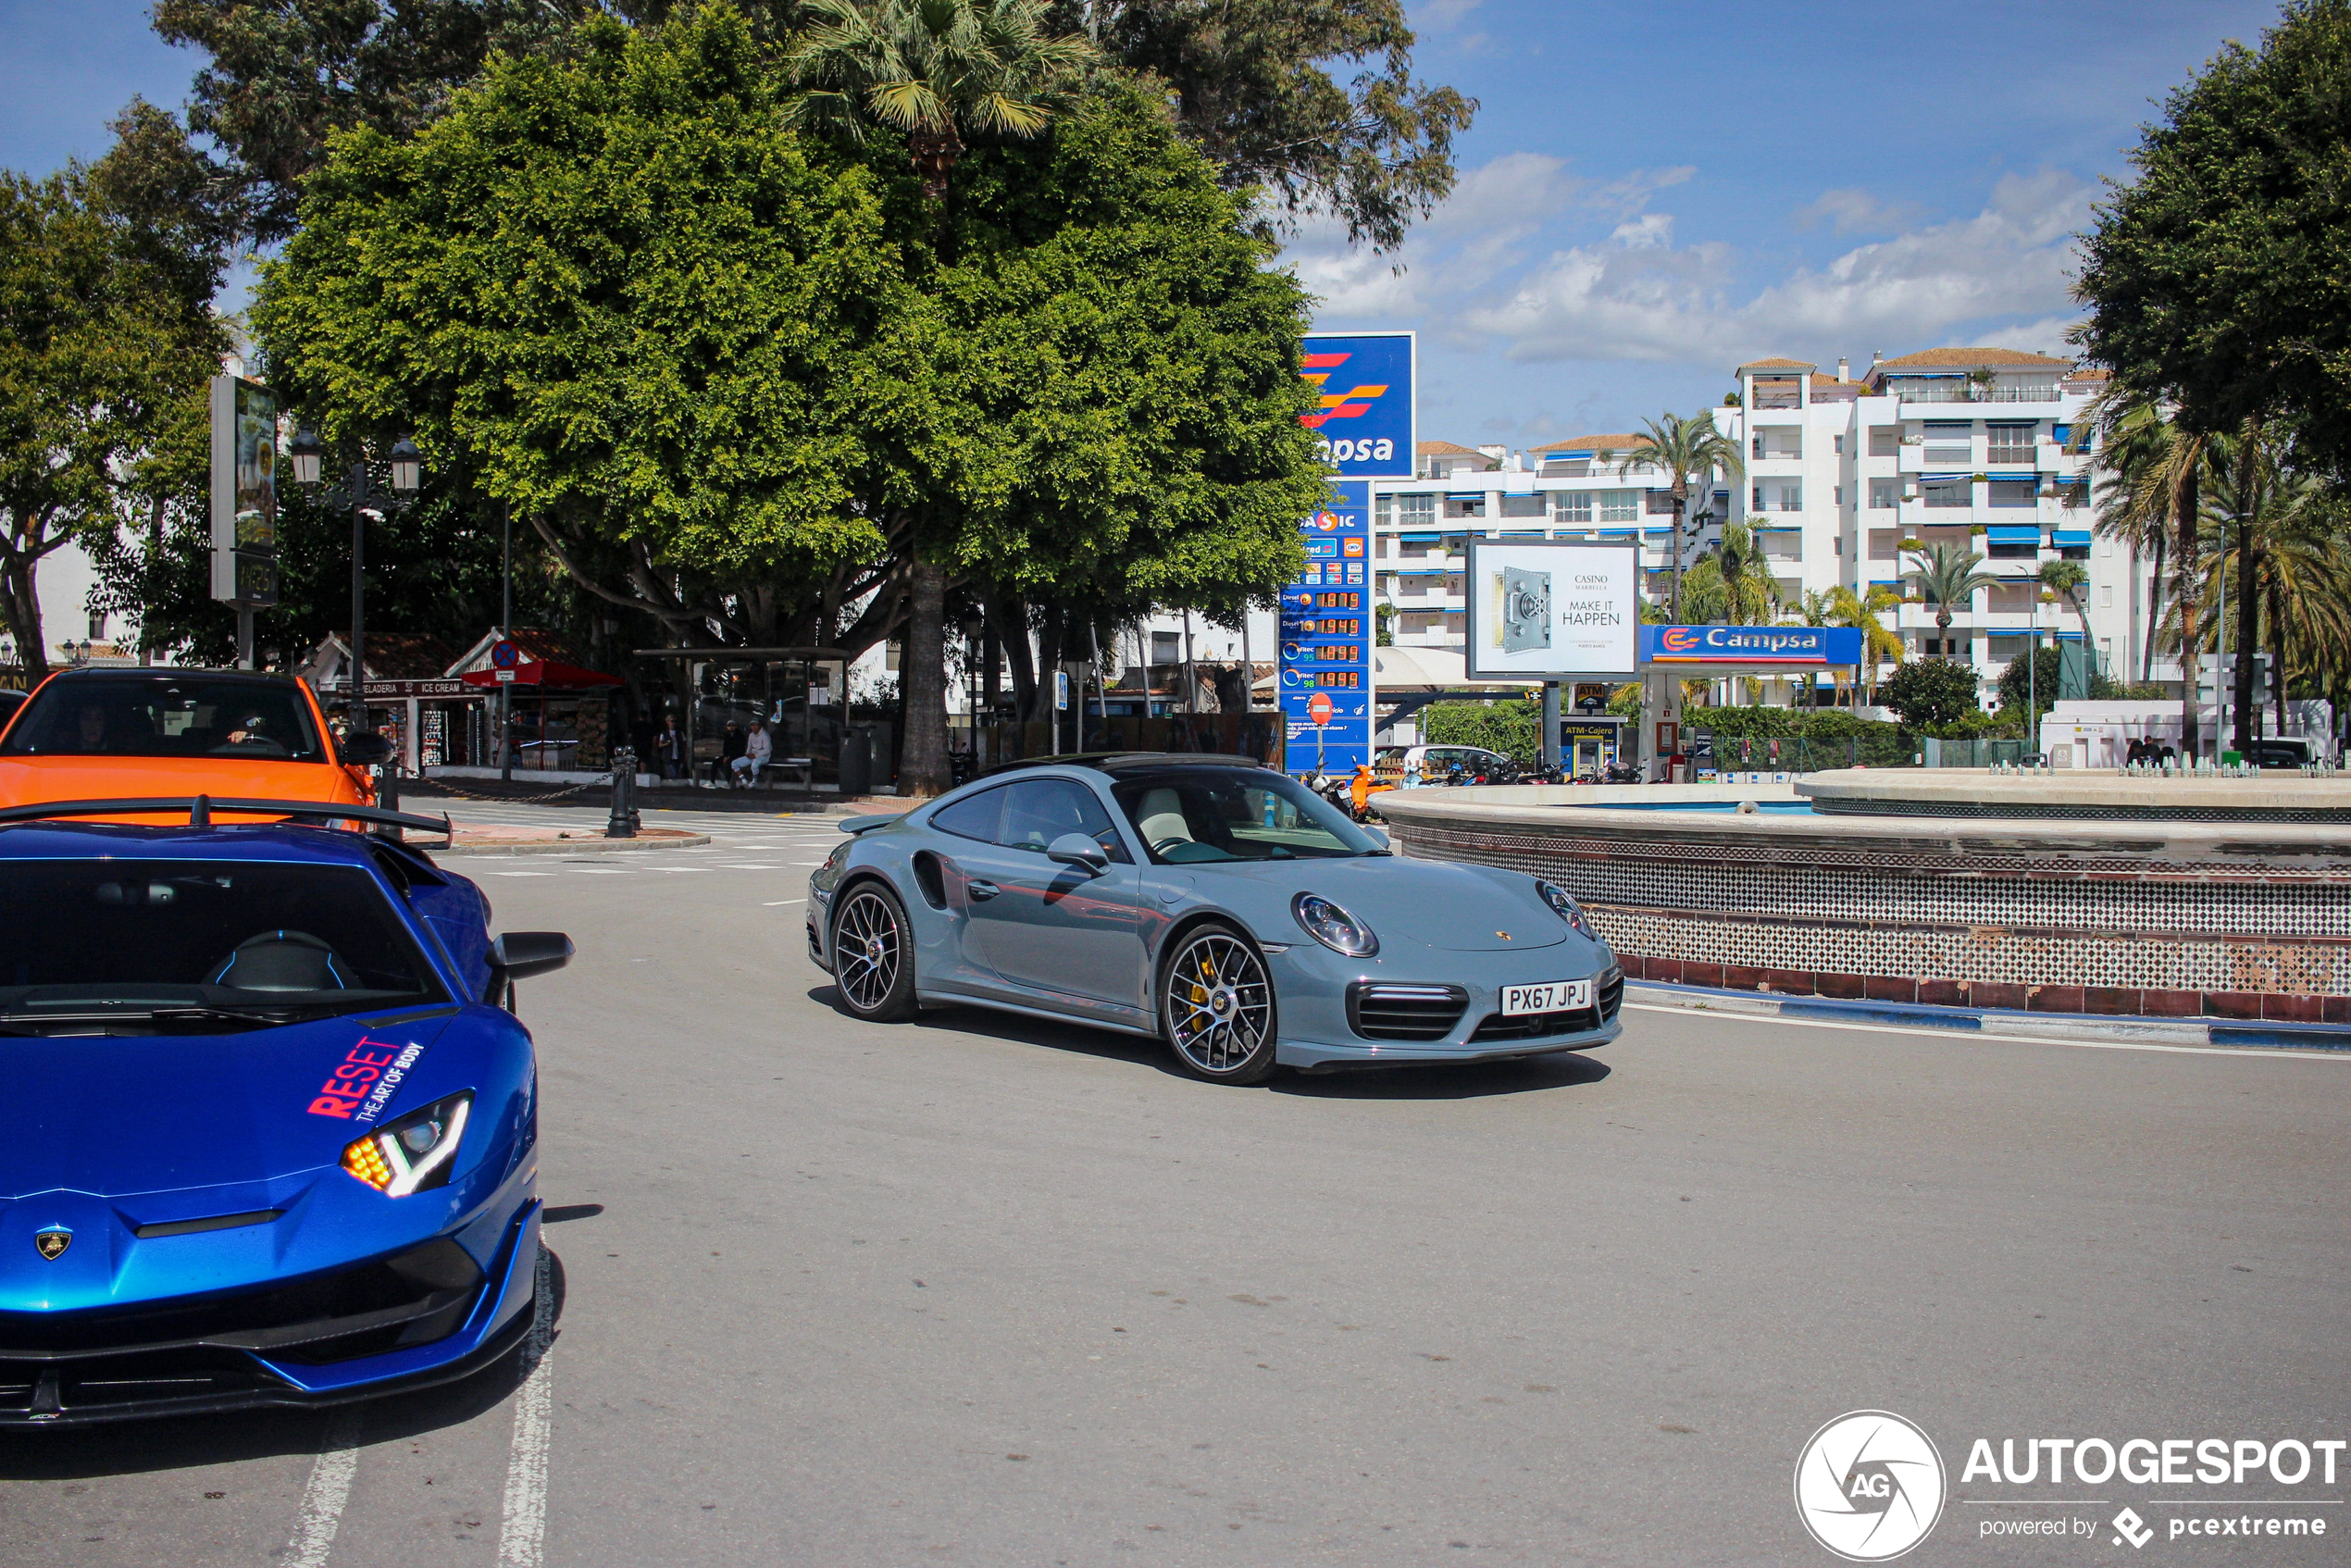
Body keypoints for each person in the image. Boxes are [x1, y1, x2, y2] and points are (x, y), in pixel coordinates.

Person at [731, 718, 773, 788]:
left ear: (759, 726)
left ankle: (754, 782)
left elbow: (767, 750)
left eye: (755, 725)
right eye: (752, 725)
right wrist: (748, 754)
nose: (754, 727)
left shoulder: (765, 735)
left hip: (764, 757)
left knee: (754, 765)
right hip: (752, 756)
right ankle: (744, 781)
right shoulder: (751, 735)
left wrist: (755, 756)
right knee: (734, 763)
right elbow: (749, 747)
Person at [653, 715, 687, 780]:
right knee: (673, 772)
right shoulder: (664, 733)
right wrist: (666, 744)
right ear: (667, 722)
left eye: (675, 721)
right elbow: (660, 745)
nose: (674, 723)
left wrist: (685, 754)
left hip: (678, 755)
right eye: (672, 721)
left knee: (677, 772)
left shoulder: (679, 732)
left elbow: (684, 743)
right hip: (669, 756)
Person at [715, 719, 747, 786]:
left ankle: (728, 781)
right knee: (716, 762)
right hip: (729, 756)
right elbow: (725, 747)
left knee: (729, 763)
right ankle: (713, 780)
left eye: (733, 725)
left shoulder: (740, 736)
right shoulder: (727, 735)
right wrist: (725, 756)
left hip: (738, 755)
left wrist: (728, 757)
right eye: (729, 726)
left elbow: (739, 749)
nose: (731, 727)